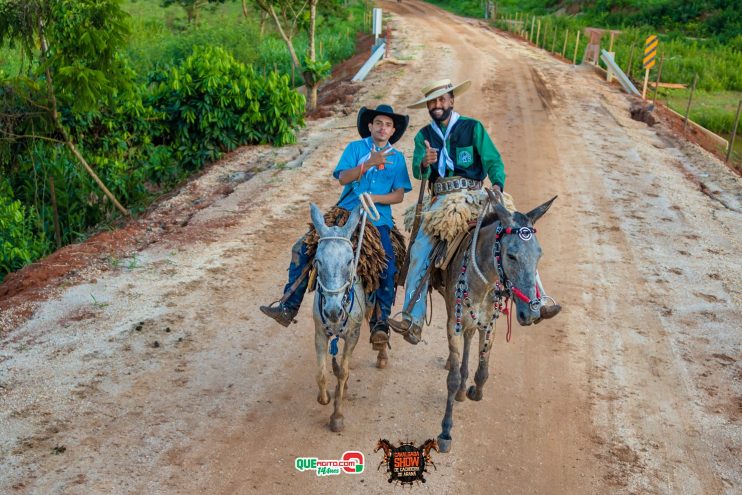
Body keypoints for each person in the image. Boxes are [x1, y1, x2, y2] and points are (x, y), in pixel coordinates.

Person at [388, 79, 561, 345]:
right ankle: (413, 319)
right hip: (443, 200)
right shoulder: (424, 135)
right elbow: (417, 172)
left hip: (477, 194)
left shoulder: (473, 128)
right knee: (420, 248)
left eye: (441, 100)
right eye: (432, 102)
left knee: (519, 236)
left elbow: (492, 159)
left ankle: (538, 301)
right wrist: (424, 162)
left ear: (451, 100)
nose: (437, 105)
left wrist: (498, 184)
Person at [260, 104, 412, 349]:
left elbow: (398, 195)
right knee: (302, 248)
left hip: (377, 218)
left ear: (393, 130)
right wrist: (368, 164)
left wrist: (374, 198)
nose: (383, 128)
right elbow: (342, 177)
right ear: (370, 126)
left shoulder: (398, 158)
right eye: (378, 123)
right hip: (344, 214)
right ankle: (288, 306)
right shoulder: (356, 148)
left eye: (388, 125)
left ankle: (380, 323)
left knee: (390, 263)